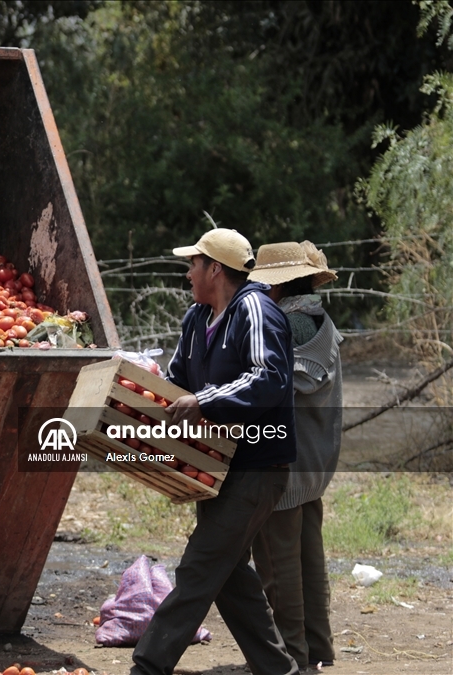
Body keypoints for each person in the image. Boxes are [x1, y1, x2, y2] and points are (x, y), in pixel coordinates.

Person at [130, 228, 299, 675]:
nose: (187, 274)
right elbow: (177, 382)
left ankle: (146, 667)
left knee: (200, 567)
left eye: (193, 264)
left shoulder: (256, 310)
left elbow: (269, 378)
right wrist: (138, 379)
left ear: (215, 269)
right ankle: (278, 669)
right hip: (217, 468)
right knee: (228, 576)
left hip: (257, 467)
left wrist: (206, 400)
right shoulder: (195, 320)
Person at [249, 241, 342, 669]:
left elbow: (270, 386)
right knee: (309, 559)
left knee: (277, 564)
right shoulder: (319, 321)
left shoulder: (286, 326)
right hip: (314, 462)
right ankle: (319, 650)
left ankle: (293, 658)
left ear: (277, 286)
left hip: (285, 464)